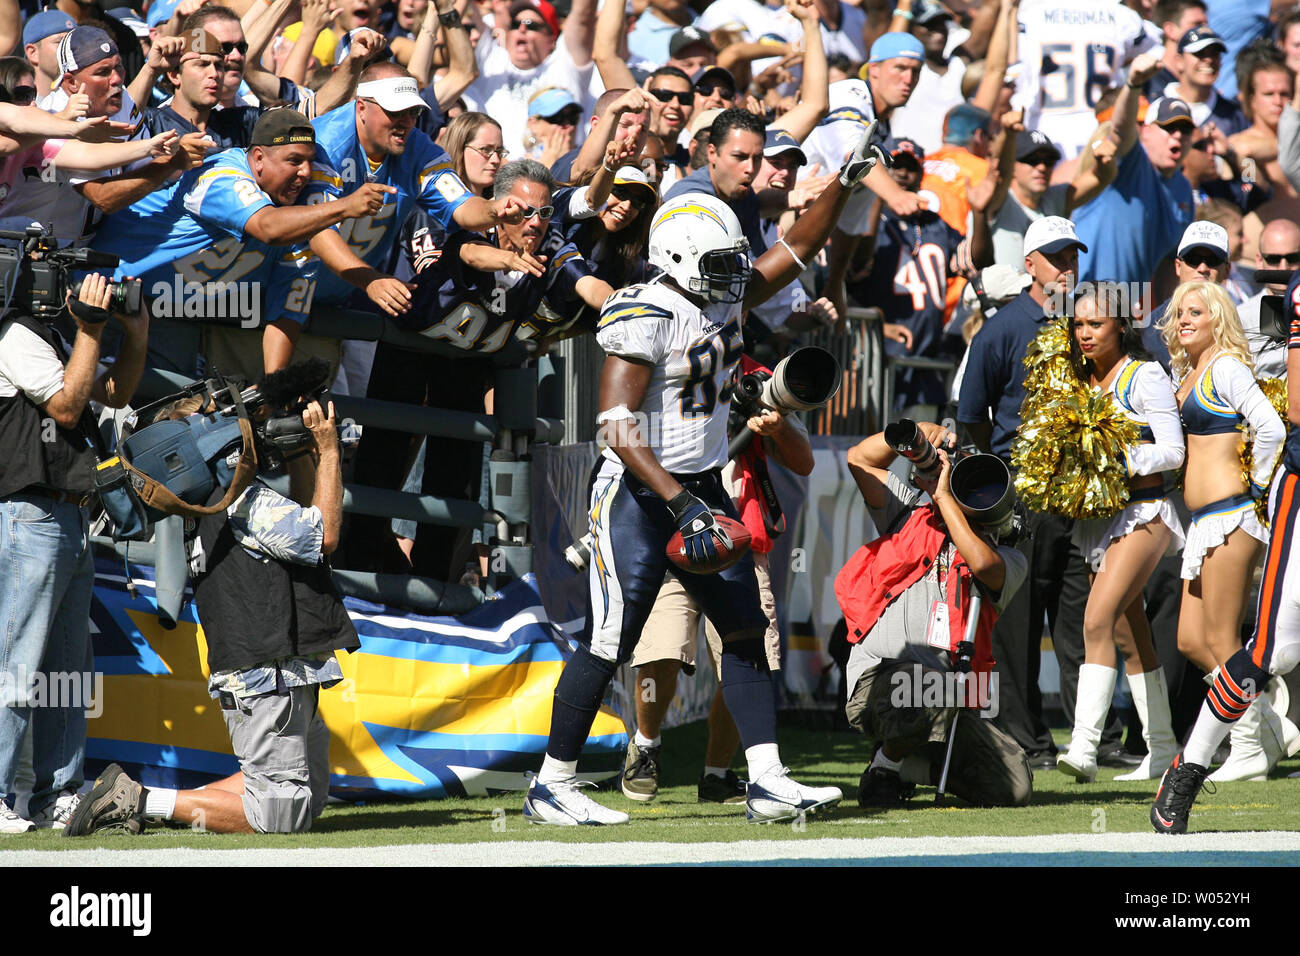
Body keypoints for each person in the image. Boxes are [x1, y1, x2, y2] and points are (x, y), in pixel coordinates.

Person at [522, 128, 885, 826]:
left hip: (703, 485)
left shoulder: (719, 287)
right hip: (635, 491)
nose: (735, 275)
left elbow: (796, 249)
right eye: (721, 262)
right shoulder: (647, 308)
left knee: (745, 631)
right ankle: (552, 784)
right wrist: (679, 503)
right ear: (680, 257)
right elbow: (615, 425)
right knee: (610, 639)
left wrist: (844, 180)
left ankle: (768, 780)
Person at [64, 387, 357, 836]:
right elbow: (323, 537)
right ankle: (139, 799)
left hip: (269, 666)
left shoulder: (203, 501)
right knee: (281, 817)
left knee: (305, 799)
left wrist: (301, 451)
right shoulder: (242, 501)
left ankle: (149, 805)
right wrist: (330, 451)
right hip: (268, 669)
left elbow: (297, 524)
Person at [343, 158, 613, 581]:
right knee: (383, 460)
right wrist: (507, 262)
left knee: (457, 478)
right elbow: (468, 251)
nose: (535, 222)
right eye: (524, 211)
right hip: (410, 349)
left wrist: (627, 306)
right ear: (499, 205)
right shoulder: (463, 222)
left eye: (543, 212)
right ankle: (357, 570)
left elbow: (585, 282)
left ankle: (437, 586)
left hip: (467, 364)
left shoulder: (550, 246)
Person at [621, 364, 813, 805]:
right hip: (670, 534)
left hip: (741, 540)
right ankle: (645, 745)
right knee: (660, 653)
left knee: (747, 658)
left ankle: (717, 774)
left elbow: (803, 460)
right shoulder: (663, 367)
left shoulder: (758, 380)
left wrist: (777, 428)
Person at [1151, 271, 1300, 833]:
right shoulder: (1182, 374)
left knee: (1222, 641)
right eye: (1179, 313)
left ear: (1219, 318)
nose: (1184, 320)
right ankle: (1267, 725)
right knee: (1190, 639)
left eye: (1197, 312)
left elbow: (1270, 428)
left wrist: (1258, 487)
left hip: (1232, 518)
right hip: (1201, 522)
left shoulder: (1229, 369)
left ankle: (1249, 747)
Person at [0, 272, 149, 832]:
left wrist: (133, 335)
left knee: (67, 670)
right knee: (15, 663)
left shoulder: (54, 334)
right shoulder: (13, 331)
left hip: (69, 510)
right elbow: (66, 407)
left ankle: (56, 792)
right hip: (27, 511)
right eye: (63, 272)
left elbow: (110, 395)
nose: (79, 284)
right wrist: (90, 328)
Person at [93, 109, 393, 380]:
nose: (305, 172)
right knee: (89, 416)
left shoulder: (298, 219)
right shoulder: (221, 174)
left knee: (157, 420)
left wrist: (276, 388)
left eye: (310, 161)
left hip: (166, 314)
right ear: (259, 158)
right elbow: (267, 227)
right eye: (294, 160)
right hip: (103, 295)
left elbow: (287, 313)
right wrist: (343, 208)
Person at [957, 215, 1095, 768]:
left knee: (1079, 617)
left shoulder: (1089, 320)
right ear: (1030, 264)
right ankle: (1025, 738)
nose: (1067, 267)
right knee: (1018, 619)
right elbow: (971, 419)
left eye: (1072, 257)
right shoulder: (1003, 328)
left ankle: (1090, 737)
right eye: (1055, 257)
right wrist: (992, 492)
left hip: (1082, 487)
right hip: (1021, 491)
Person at [303, 62, 528, 394]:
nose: (405, 121)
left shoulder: (417, 147)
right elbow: (316, 227)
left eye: (411, 112)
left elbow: (461, 205)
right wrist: (369, 279)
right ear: (361, 107)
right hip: (280, 291)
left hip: (335, 301)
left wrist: (495, 210)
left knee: (323, 421)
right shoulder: (325, 144)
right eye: (396, 111)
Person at [839, 421, 1032, 808]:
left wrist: (944, 497)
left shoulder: (1010, 558)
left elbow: (982, 564)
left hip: (948, 695)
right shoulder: (909, 513)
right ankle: (885, 766)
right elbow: (858, 460)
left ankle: (903, 768)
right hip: (880, 677)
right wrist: (919, 435)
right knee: (925, 685)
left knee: (1013, 785)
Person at [1056, 289, 1186, 782]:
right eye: (1079, 325)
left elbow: (1174, 452)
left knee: (1096, 620)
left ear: (1120, 326)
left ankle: (1085, 748)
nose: (1086, 333)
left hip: (1145, 514)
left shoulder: (1145, 375)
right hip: (1098, 521)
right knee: (1130, 636)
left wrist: (1122, 460)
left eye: (1096, 324)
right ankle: (1162, 747)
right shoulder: (1079, 381)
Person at [1072, 53, 1195, 287]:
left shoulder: (1183, 189)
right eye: (1169, 128)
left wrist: (1164, 319)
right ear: (1145, 132)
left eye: (1185, 129)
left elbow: (1169, 266)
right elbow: (1120, 130)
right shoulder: (1132, 161)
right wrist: (1134, 83)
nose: (1178, 135)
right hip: (1072, 298)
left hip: (1122, 309)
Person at [1236, 218, 1300, 378]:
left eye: (1292, 258)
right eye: (1273, 259)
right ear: (1259, 260)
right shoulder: (1239, 319)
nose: (1283, 267)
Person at [1162, 27, 1247, 136]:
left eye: (1215, 54)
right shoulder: (1153, 100)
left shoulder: (1234, 114)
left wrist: (1229, 150)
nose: (1209, 60)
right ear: (1179, 61)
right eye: (1200, 53)